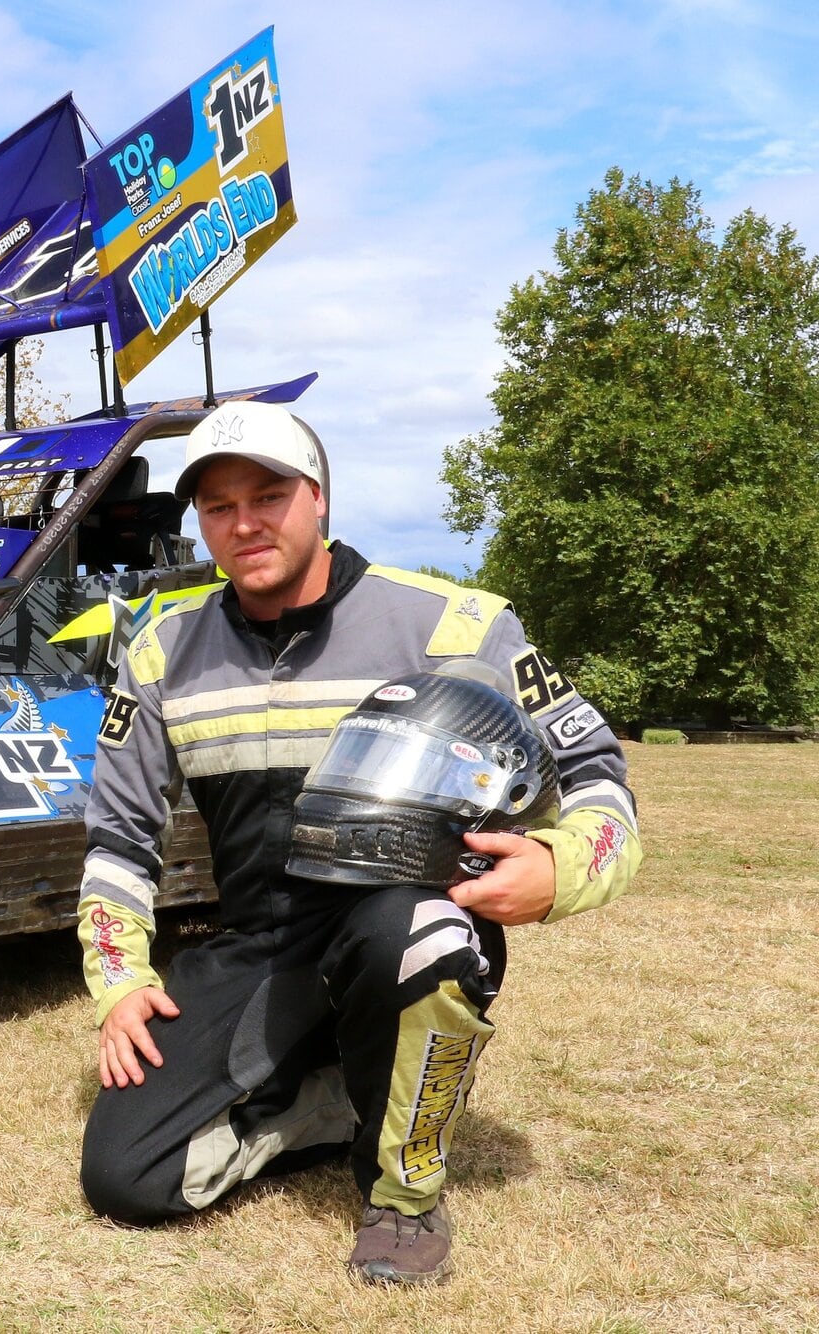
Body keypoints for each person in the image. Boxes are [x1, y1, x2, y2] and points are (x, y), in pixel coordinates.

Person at [76, 400, 642, 1284]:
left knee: (411, 936)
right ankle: (328, 1103)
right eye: (219, 507)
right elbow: (117, 836)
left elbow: (599, 775)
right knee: (127, 1179)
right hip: (258, 943)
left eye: (269, 495)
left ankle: (404, 1195)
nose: (245, 523)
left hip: (396, 925)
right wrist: (119, 982)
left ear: (320, 500)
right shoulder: (157, 651)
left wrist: (562, 868)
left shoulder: (458, 625)